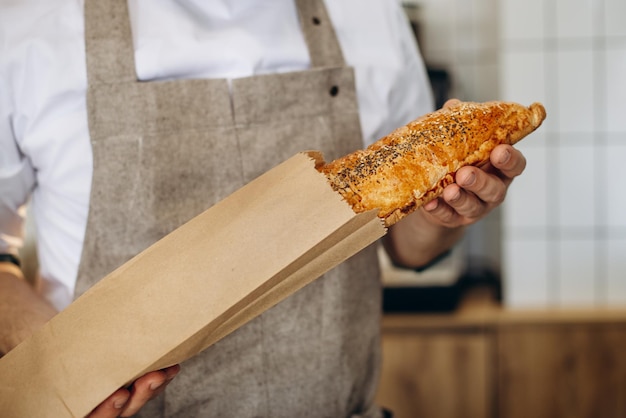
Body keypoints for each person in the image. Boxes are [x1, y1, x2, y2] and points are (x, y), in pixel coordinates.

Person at [0, 1, 527, 417]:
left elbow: (407, 247)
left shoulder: (368, 14)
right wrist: (57, 373)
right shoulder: (28, 29)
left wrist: (445, 216)